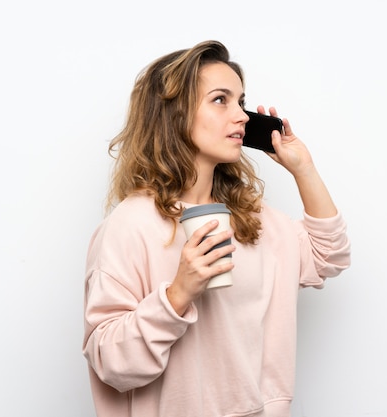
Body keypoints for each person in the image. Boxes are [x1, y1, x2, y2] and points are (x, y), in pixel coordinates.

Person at [82, 40, 351, 417]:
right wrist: (178, 294)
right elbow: (110, 361)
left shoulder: (251, 218)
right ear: (174, 114)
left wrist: (303, 168)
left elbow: (329, 255)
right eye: (221, 100)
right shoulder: (131, 225)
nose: (241, 116)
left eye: (241, 102)